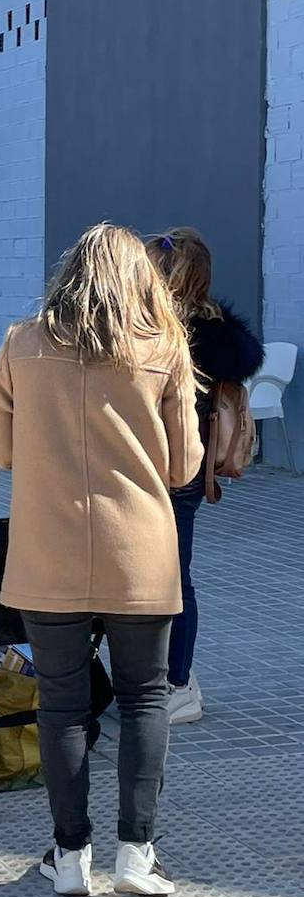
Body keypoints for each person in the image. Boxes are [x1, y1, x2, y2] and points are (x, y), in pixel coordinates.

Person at [0, 224, 203, 897]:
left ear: (68, 274)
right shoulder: (163, 345)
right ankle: (136, 854)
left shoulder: (21, 342)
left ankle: (68, 855)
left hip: (46, 551)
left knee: (60, 704)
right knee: (143, 700)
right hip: (138, 553)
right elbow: (184, 464)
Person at [145, 228, 263, 724]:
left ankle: (177, 682)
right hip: (180, 472)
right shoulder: (213, 334)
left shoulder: (169, 337)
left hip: (171, 470)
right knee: (170, 577)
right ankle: (169, 678)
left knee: (170, 580)